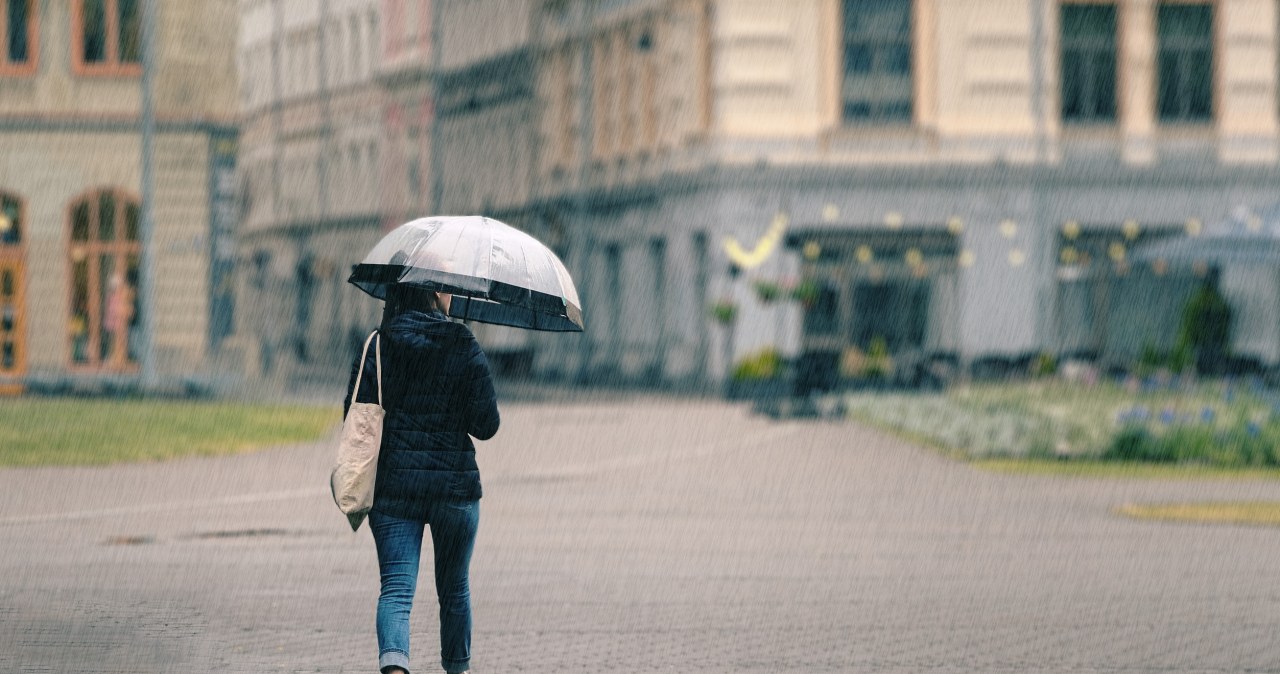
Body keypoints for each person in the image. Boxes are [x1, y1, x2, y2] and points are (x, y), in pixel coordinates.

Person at [344, 283, 500, 674]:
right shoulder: (462, 342)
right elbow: (487, 424)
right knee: (455, 590)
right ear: (432, 292)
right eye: (445, 286)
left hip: (394, 488)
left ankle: (396, 668)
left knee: (396, 590)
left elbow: (354, 413)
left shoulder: (379, 344)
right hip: (454, 487)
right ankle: (457, 670)